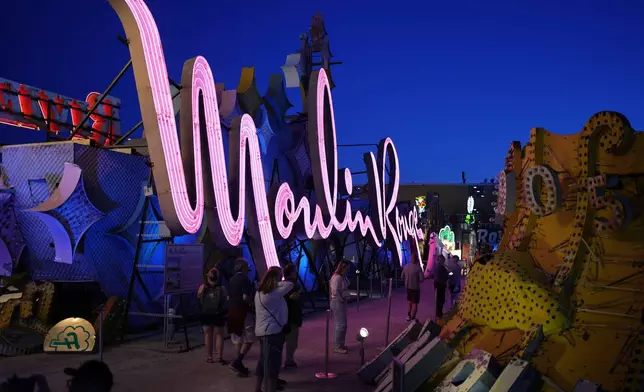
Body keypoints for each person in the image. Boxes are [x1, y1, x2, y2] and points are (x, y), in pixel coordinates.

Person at [254, 267, 293, 392]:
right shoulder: (274, 294)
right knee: (272, 366)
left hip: (262, 332)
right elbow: (290, 284)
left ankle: (257, 388)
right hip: (272, 333)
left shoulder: (259, 293)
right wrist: (280, 280)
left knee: (263, 362)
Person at [227, 258, 255, 376]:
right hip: (243, 311)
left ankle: (238, 363)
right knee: (249, 338)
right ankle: (238, 362)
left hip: (232, 311)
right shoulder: (245, 279)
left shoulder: (231, 280)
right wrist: (253, 304)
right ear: (243, 268)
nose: (248, 271)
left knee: (237, 338)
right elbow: (245, 297)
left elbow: (229, 296)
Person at [198, 267, 228, 364]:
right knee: (219, 335)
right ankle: (219, 357)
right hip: (218, 314)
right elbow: (225, 300)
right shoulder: (222, 289)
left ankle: (209, 357)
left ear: (208, 277)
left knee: (208, 335)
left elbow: (199, 298)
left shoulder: (202, 287)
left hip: (206, 314)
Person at [282, 263, 303, 368]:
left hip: (282, 317)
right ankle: (289, 360)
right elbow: (296, 301)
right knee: (292, 340)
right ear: (292, 272)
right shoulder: (294, 285)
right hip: (293, 316)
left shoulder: (281, 284)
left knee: (283, 339)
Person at [329, 259, 350, 354]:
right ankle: (337, 346)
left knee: (343, 324)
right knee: (340, 324)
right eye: (346, 268)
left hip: (340, 301)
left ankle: (341, 344)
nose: (347, 270)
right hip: (337, 302)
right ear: (342, 268)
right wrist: (341, 298)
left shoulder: (342, 277)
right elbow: (335, 290)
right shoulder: (337, 278)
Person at [402, 252, 424, 322]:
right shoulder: (418, 268)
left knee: (409, 302)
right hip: (415, 288)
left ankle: (408, 316)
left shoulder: (406, 266)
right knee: (415, 303)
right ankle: (413, 317)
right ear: (416, 259)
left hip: (408, 287)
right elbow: (421, 279)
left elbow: (402, 276)